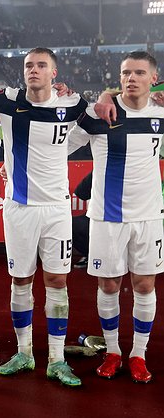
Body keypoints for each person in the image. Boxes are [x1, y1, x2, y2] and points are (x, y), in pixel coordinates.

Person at [0, 48, 88, 387]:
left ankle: (56, 359)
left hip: (57, 209)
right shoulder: (6, 101)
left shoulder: (72, 104)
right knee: (21, 281)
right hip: (19, 209)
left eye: (42, 65)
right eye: (29, 65)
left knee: (57, 281)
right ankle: (24, 352)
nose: (34, 70)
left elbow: (97, 123)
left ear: (53, 73)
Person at [68, 51, 164, 384]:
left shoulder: (160, 113)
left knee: (145, 285)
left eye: (139, 72)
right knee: (109, 285)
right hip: (106, 217)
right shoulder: (100, 114)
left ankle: (138, 353)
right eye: (126, 73)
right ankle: (112, 351)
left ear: (154, 78)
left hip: (148, 216)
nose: (131, 78)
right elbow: (60, 144)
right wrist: (100, 98)